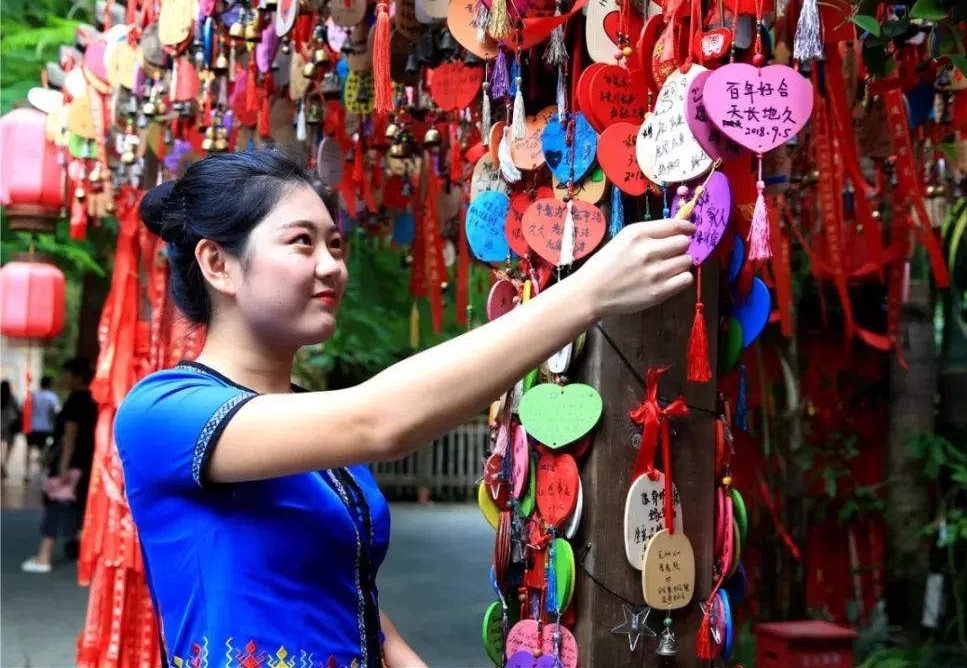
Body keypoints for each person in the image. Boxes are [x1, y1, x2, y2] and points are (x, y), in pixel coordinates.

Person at [114, 148, 695, 667]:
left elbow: (346, 599)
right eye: (302, 242)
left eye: (335, 244)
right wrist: (588, 294)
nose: (331, 266)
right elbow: (381, 420)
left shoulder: (319, 431)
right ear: (217, 264)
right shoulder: (163, 411)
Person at [22, 358, 98, 573]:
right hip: (87, 462)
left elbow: (69, 436)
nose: (62, 379)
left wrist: (63, 466)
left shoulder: (75, 401)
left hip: (72, 464)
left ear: (77, 377)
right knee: (81, 508)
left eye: (65, 374)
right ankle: (83, 555)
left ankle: (44, 556)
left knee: (57, 506)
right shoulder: (94, 399)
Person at [25, 375, 60, 483]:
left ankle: (27, 472)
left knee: (29, 450)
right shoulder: (52, 397)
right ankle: (41, 472)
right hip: (45, 427)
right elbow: (56, 411)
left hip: (31, 426)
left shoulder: (32, 395)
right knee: (43, 450)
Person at [0, 380, 21, 480]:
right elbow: (18, 410)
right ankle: (4, 464)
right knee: (9, 446)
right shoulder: (12, 398)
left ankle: (2, 464)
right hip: (10, 426)